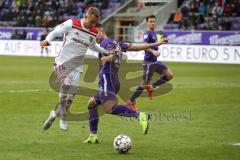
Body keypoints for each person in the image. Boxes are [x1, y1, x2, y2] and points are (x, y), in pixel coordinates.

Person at [84, 25, 168, 143]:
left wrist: (108, 58)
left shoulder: (105, 43)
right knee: (92, 103)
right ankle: (93, 136)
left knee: (109, 108)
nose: (93, 36)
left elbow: (112, 53)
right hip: (114, 80)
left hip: (107, 78)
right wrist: (155, 44)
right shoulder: (119, 43)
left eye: (95, 33)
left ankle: (139, 115)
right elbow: (138, 47)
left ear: (102, 31)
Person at [42, 7, 108, 131]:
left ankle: (54, 115)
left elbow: (93, 46)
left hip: (77, 68)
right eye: (91, 21)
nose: (92, 25)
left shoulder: (93, 31)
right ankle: (63, 117)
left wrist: (105, 51)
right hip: (62, 62)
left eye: (95, 23)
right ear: (86, 16)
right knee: (65, 84)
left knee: (70, 99)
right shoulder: (72, 24)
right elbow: (55, 32)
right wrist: (47, 40)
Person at [127, 15, 174, 109]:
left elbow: (156, 43)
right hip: (148, 63)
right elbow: (144, 45)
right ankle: (130, 101)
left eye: (154, 21)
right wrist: (153, 51)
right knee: (144, 84)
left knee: (170, 75)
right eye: (151, 21)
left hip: (155, 62)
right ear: (147, 23)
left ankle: (152, 86)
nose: (152, 23)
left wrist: (163, 41)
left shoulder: (155, 33)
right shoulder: (147, 34)